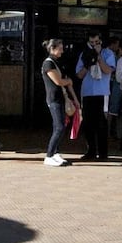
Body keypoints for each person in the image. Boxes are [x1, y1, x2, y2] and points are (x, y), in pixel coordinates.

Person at [76, 32, 115, 161]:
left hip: (101, 92)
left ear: (101, 42)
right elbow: (79, 75)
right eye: (91, 43)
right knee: (88, 123)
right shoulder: (84, 54)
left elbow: (108, 70)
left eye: (96, 43)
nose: (93, 45)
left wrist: (98, 57)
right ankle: (91, 151)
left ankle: (103, 153)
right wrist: (88, 62)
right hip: (87, 92)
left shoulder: (108, 54)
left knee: (101, 123)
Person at [41, 38, 79, 166]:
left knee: (60, 125)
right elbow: (58, 81)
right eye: (60, 48)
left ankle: (56, 152)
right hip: (53, 99)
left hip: (60, 98)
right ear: (53, 49)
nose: (62, 51)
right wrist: (68, 82)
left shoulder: (57, 63)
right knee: (59, 127)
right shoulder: (48, 64)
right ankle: (49, 155)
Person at [106, 36, 122, 140]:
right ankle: (108, 133)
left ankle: (110, 132)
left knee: (110, 110)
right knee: (111, 110)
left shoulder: (110, 54)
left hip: (111, 84)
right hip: (111, 85)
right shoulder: (111, 55)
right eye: (117, 44)